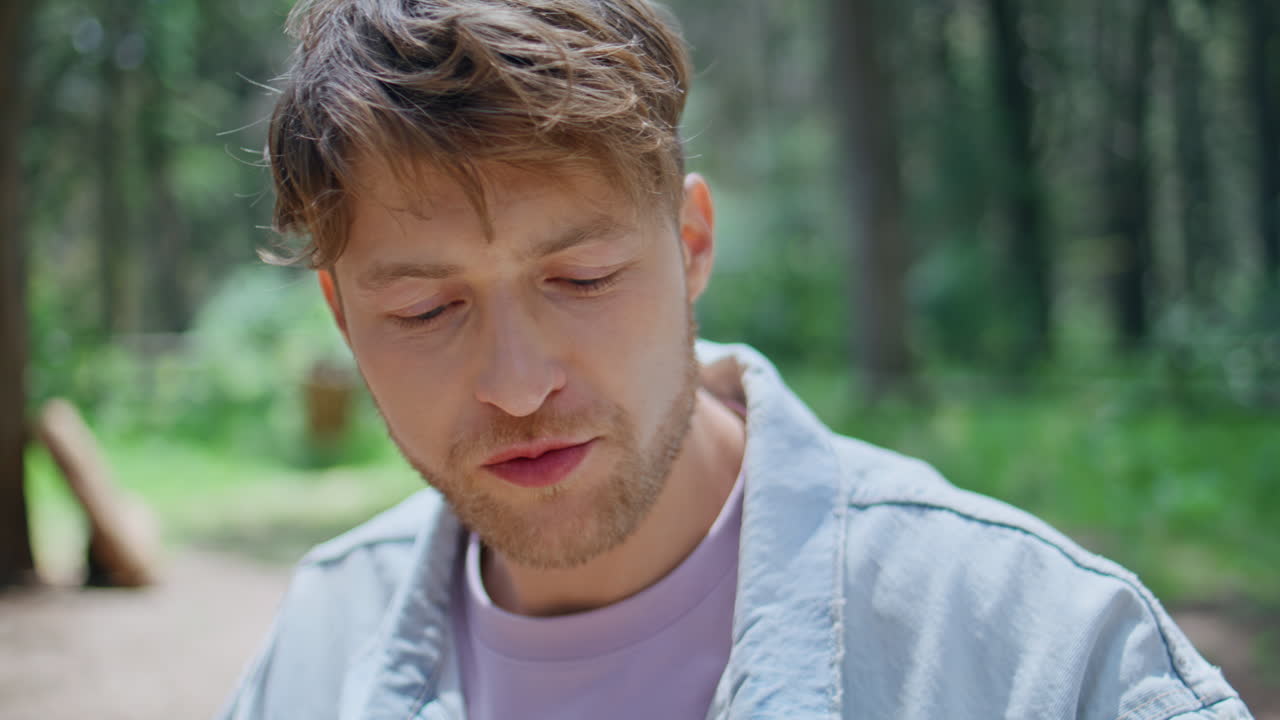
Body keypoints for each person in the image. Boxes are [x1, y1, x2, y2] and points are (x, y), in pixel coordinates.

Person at [218, 1, 1253, 718]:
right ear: (342, 320)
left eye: (580, 279)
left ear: (692, 245)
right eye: (425, 307)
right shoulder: (319, 642)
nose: (519, 382)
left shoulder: (1036, 654)